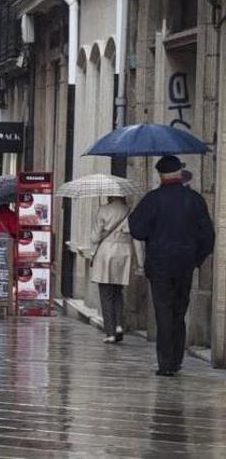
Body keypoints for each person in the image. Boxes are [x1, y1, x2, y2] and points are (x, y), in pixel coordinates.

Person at [129, 155, 215, 377]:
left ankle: (166, 363)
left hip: (159, 266)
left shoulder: (152, 200)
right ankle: (176, 359)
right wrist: (196, 259)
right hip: (185, 265)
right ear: (179, 173)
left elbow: (137, 229)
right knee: (179, 310)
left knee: (163, 312)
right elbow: (208, 236)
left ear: (160, 175)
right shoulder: (195, 200)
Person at [91, 196, 142, 344]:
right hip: (124, 254)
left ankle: (110, 332)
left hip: (106, 253)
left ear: (110, 196)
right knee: (118, 292)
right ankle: (119, 325)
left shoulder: (104, 210)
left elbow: (94, 238)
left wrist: (101, 234)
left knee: (106, 293)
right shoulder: (130, 212)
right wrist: (141, 263)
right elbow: (137, 239)